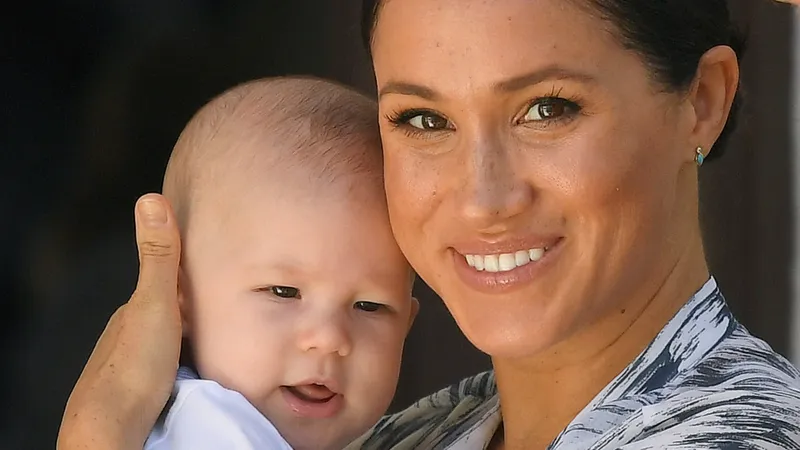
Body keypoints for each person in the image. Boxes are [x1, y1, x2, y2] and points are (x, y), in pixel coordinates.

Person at [58, 0, 800, 449]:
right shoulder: (408, 436)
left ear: (702, 100)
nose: (482, 198)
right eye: (423, 118)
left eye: (547, 108)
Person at [128, 76, 419, 450]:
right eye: (284, 292)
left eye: (370, 306)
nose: (330, 339)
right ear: (181, 296)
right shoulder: (213, 430)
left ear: (406, 327)